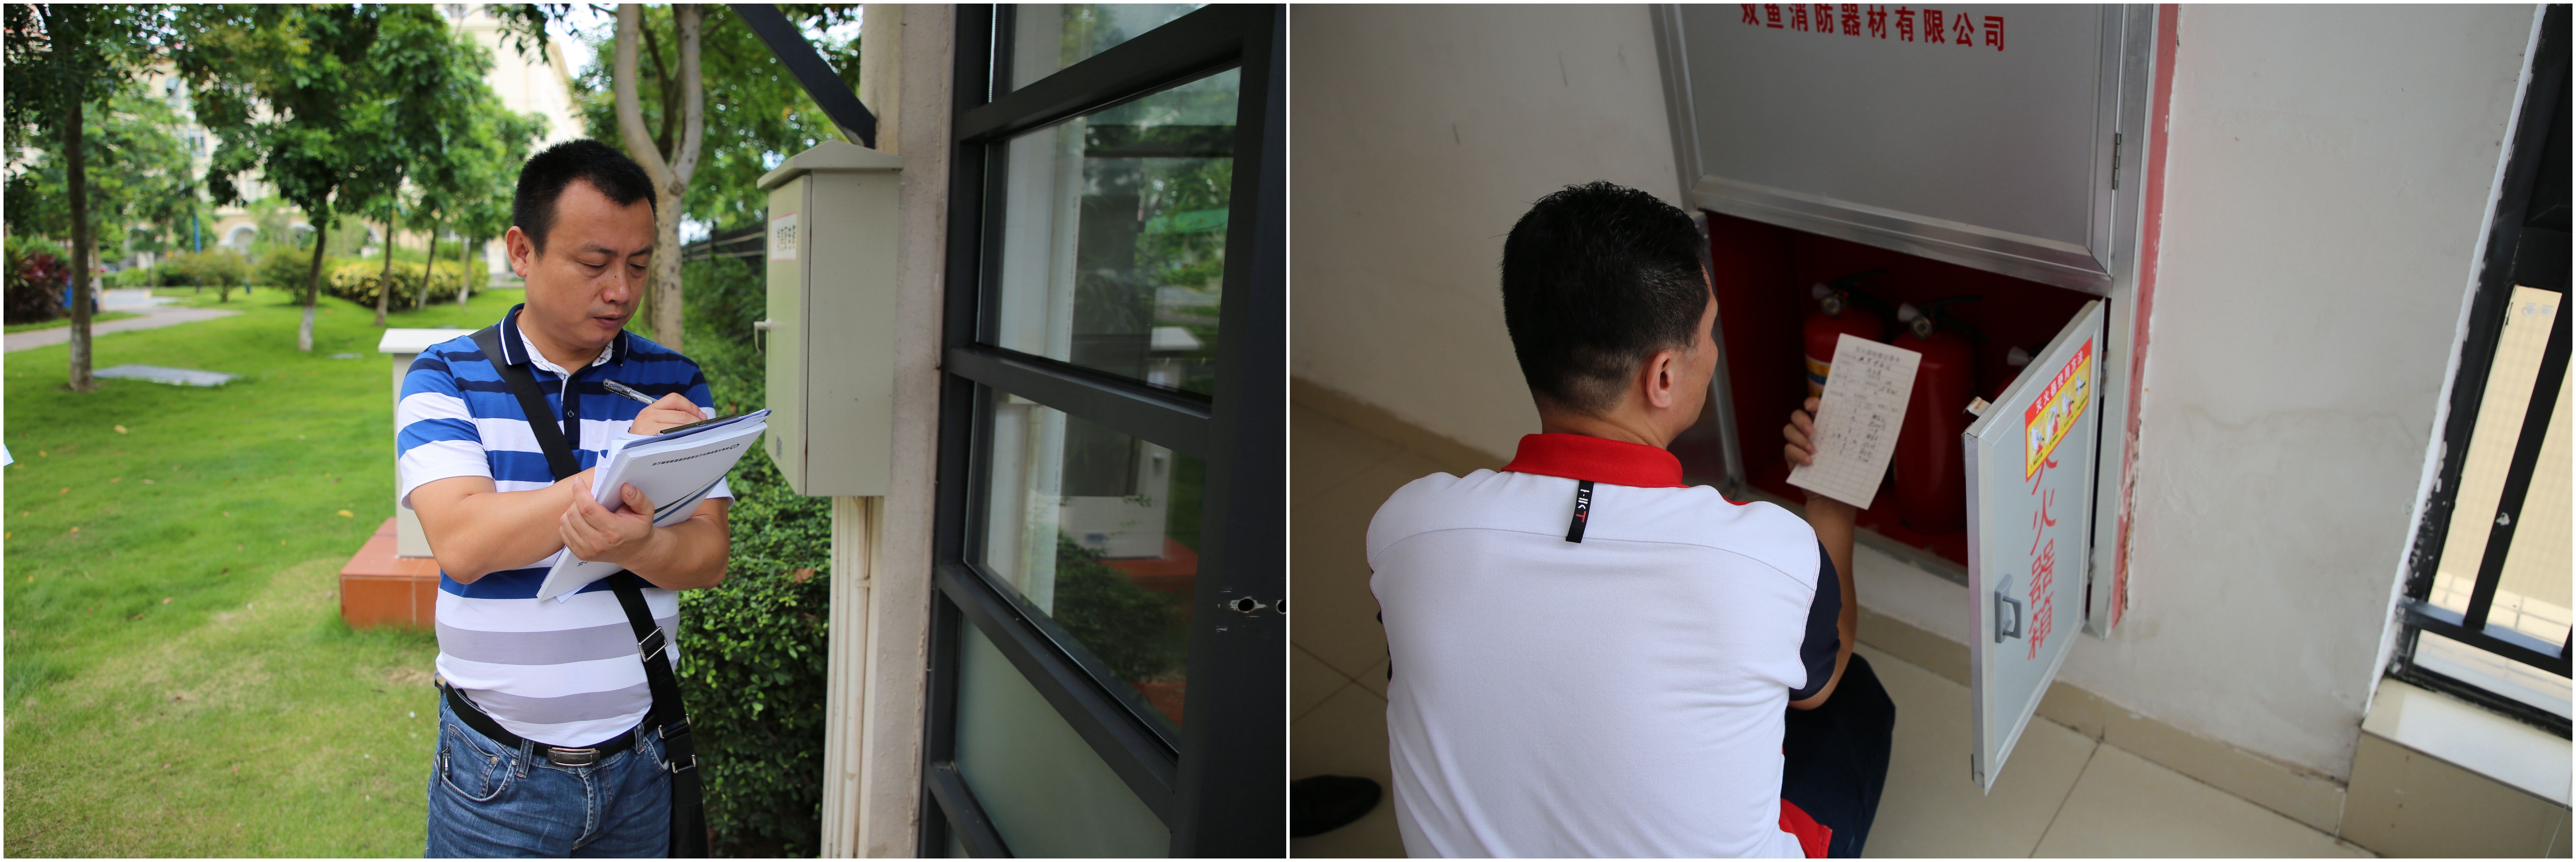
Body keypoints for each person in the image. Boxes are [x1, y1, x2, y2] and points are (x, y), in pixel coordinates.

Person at [1367, 181, 1894, 857]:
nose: (1714, 351)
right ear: (1664, 375)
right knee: (1851, 696)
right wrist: (1830, 513)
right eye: (1708, 333)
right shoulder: (1769, 555)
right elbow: (1818, 685)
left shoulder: (1409, 529)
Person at [399, 139, 731, 857]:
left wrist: (644, 543)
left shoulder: (674, 384)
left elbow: (708, 556)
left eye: (638, 265)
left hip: (643, 760)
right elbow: (464, 543)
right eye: (594, 263)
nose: (620, 290)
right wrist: (621, 467)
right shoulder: (445, 376)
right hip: (496, 775)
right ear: (522, 251)